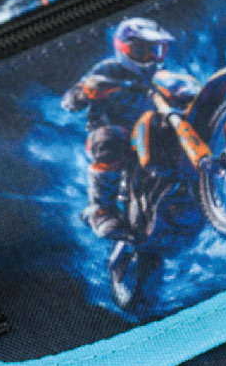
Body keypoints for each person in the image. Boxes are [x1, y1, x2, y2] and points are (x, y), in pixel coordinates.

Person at [61, 17, 175, 238]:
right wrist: (85, 92)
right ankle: (101, 211)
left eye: (155, 51)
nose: (150, 57)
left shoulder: (160, 75)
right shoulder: (108, 69)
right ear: (124, 49)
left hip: (152, 136)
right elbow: (69, 101)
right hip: (119, 140)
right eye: (142, 51)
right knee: (110, 137)